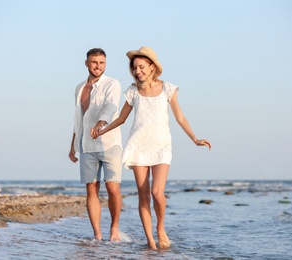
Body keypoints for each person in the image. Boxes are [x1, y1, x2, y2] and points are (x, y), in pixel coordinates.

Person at [91, 46, 211, 249]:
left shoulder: (167, 89)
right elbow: (121, 118)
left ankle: (160, 228)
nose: (138, 71)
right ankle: (151, 243)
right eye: (135, 68)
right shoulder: (133, 91)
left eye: (142, 67)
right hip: (138, 146)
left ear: (152, 67)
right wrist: (102, 130)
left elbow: (180, 117)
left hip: (161, 145)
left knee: (157, 193)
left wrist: (195, 139)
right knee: (143, 195)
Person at [69, 48, 123, 241]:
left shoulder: (112, 84)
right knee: (91, 189)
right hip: (87, 146)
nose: (98, 66)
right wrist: (73, 145)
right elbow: (79, 119)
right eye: (94, 62)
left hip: (110, 144)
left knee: (112, 189)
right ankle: (97, 235)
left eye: (102, 63)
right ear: (87, 64)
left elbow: (111, 106)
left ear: (105, 64)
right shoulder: (79, 88)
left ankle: (114, 228)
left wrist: (101, 123)